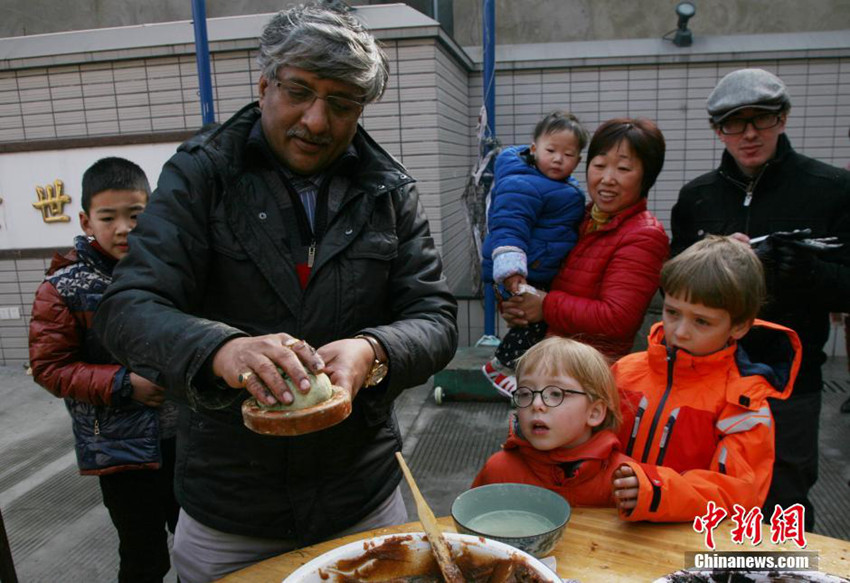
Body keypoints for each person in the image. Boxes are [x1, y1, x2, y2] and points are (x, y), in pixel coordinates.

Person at [92, 6, 458, 582]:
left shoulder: (388, 190)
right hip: (230, 512)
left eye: (341, 104)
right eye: (299, 92)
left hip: (360, 493)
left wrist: (373, 350)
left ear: (361, 109)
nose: (316, 121)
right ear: (264, 83)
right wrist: (220, 350)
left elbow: (434, 316)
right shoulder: (202, 173)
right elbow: (127, 308)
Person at [671, 68, 850, 529]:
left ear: (783, 119)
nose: (749, 133)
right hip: (704, 377)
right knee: (701, 494)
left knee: (781, 501)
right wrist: (712, 259)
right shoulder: (696, 198)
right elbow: (670, 284)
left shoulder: (831, 189)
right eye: (734, 122)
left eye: (762, 119)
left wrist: (807, 269)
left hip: (787, 378)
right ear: (717, 130)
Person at [28, 157, 179, 583]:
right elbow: (50, 367)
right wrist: (123, 384)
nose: (124, 228)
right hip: (121, 451)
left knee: (197, 545)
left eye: (136, 215)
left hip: (188, 441)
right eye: (108, 217)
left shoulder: (173, 273)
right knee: (144, 556)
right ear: (86, 220)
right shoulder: (63, 287)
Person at [611, 235, 801, 522]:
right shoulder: (625, 371)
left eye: (701, 321)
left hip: (687, 541)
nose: (680, 331)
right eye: (672, 312)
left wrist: (655, 490)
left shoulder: (743, 403)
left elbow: (740, 495)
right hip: (607, 525)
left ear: (739, 326)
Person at [500, 118, 669, 361]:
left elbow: (618, 318)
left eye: (623, 169)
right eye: (599, 165)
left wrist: (544, 306)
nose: (607, 178)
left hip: (589, 372)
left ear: (647, 178)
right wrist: (517, 304)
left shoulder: (645, 235)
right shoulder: (580, 216)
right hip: (550, 359)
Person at [480, 111, 589, 397]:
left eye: (568, 154)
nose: (557, 159)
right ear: (533, 149)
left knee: (539, 328)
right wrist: (511, 271)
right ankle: (500, 366)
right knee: (531, 324)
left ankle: (524, 375)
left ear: (578, 161)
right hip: (521, 271)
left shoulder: (561, 187)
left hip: (541, 269)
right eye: (550, 150)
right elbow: (508, 225)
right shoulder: (523, 183)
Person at [472, 336, 632, 507]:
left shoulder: (623, 479)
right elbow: (468, 527)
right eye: (526, 393)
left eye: (556, 394)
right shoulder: (498, 470)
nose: (536, 404)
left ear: (594, 412)